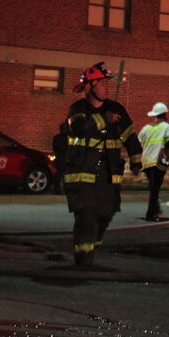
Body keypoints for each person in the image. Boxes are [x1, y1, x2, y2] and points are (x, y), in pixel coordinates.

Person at [57, 62, 142, 267]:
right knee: (87, 215)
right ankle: (84, 259)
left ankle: (90, 247)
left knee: (106, 213)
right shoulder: (77, 109)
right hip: (81, 175)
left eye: (107, 83)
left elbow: (130, 136)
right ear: (90, 86)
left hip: (107, 176)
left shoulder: (116, 110)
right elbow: (78, 128)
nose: (107, 86)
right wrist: (104, 120)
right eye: (102, 82)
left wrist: (136, 160)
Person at [137, 102, 169, 222]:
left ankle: (156, 208)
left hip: (146, 162)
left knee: (152, 187)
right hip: (158, 161)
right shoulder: (168, 127)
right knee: (155, 189)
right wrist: (167, 154)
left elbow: (138, 143)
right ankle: (150, 214)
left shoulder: (146, 128)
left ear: (154, 115)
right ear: (165, 114)